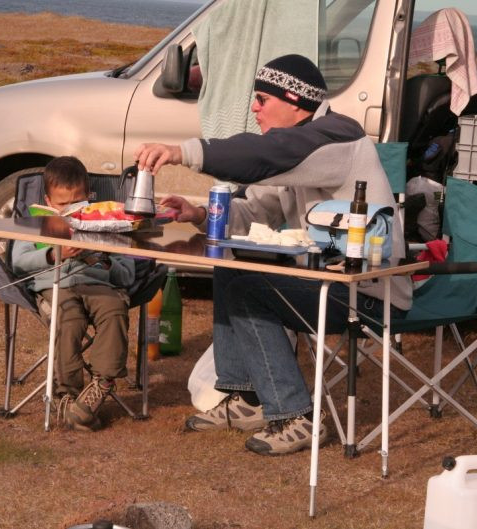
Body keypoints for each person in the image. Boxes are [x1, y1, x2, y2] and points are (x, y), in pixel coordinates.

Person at [135, 54, 412, 455]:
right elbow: (252, 212)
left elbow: (258, 156)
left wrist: (182, 152)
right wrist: (198, 214)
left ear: (295, 102)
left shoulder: (336, 138)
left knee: (251, 289)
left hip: (369, 293)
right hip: (327, 283)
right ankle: (248, 399)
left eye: (263, 98)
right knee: (230, 269)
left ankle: (297, 416)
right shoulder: (298, 151)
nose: (255, 107)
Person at [11, 156, 136, 431]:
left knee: (115, 310)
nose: (69, 210)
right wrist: (53, 254)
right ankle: (66, 394)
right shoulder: (33, 223)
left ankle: (99, 386)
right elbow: (18, 262)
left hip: (98, 283)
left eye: (77, 203)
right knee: (69, 319)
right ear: (47, 200)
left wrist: (104, 261)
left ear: (89, 198)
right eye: (61, 204)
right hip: (54, 284)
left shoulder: (106, 221)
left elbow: (128, 273)